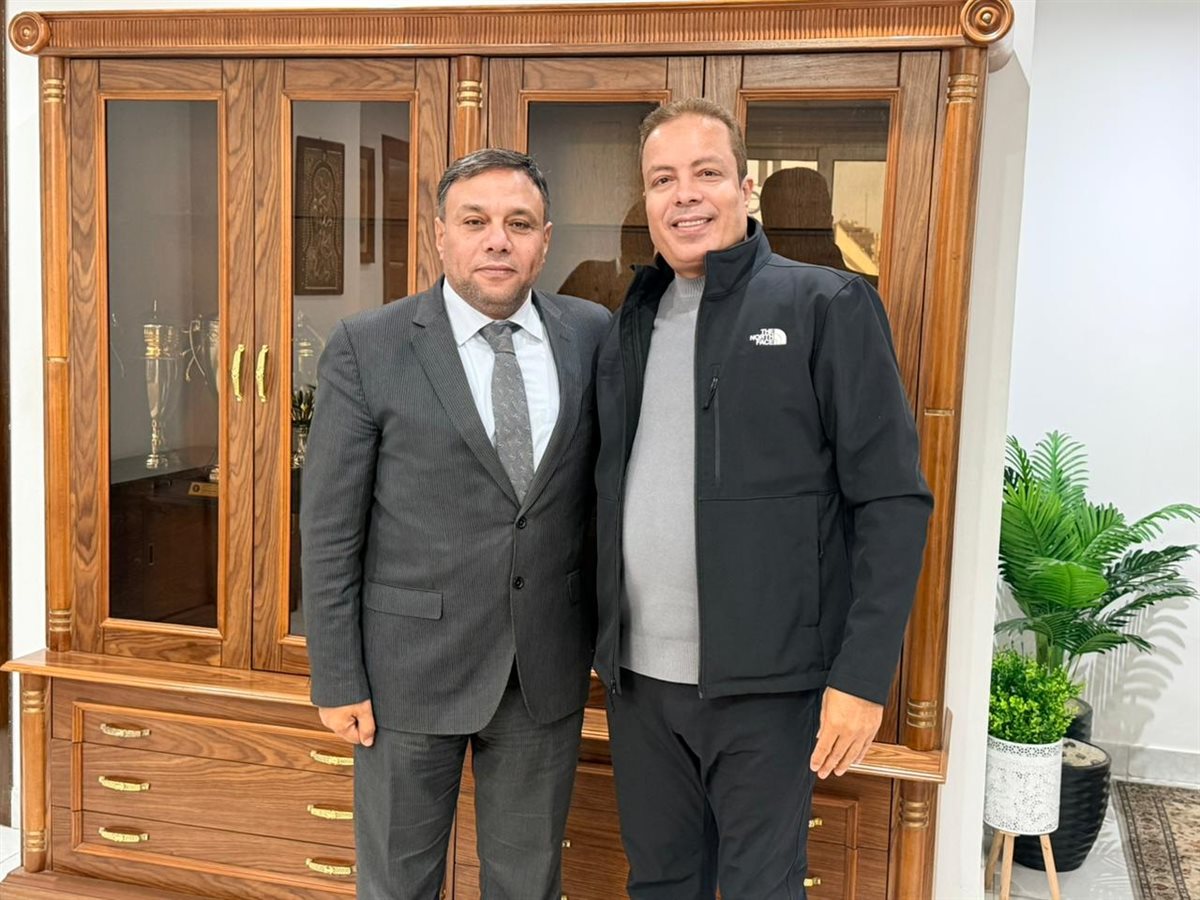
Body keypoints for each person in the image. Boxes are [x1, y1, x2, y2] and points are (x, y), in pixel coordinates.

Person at [593, 98, 933, 898]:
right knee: (659, 885)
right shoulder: (629, 321)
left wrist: (860, 680)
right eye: (662, 179)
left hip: (770, 693)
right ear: (646, 201)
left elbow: (892, 501)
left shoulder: (827, 306)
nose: (685, 195)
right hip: (640, 687)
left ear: (745, 188)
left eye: (706, 173)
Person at [300, 148, 610, 900]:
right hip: (406, 674)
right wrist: (336, 676)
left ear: (545, 240)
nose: (497, 240)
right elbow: (331, 528)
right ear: (440, 235)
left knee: (528, 885)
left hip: (543, 672)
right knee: (398, 884)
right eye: (475, 222)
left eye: (519, 223)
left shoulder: (592, 334)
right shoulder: (368, 345)